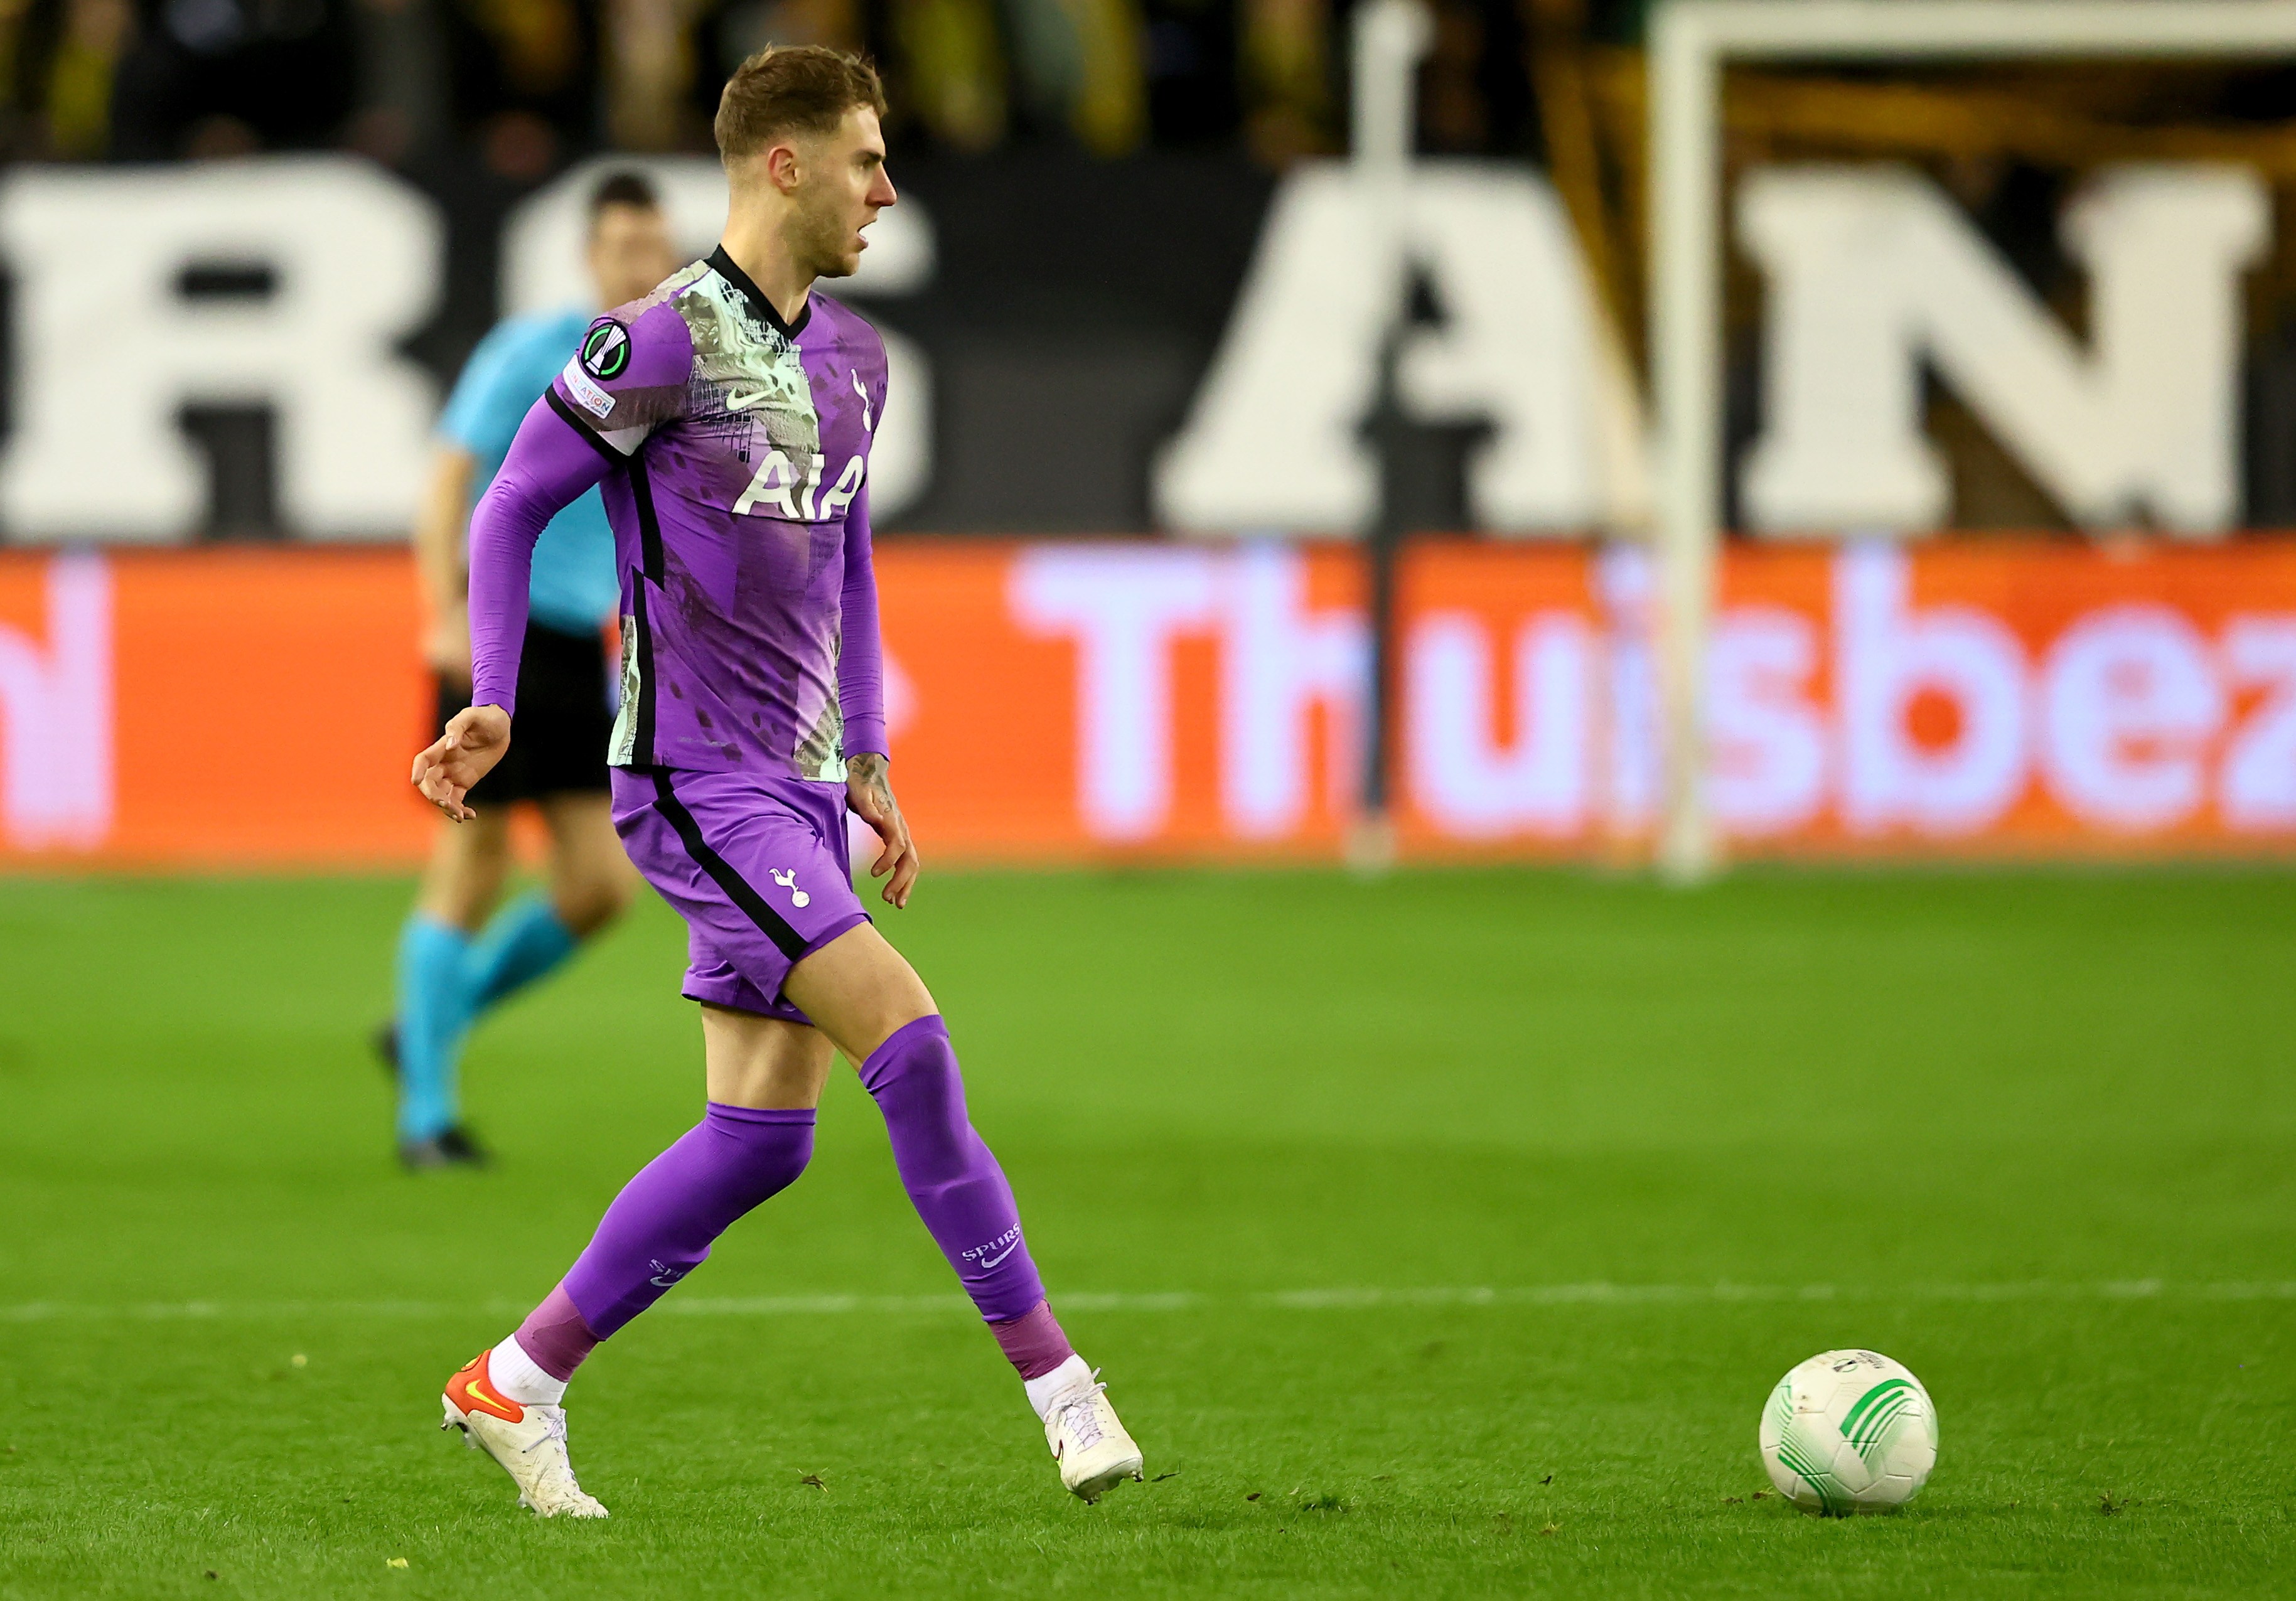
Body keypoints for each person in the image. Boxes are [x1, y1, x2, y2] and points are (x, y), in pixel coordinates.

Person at [410, 45, 1145, 1516]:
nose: (887, 188)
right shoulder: (659, 342)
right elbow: (507, 502)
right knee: (912, 1041)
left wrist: (866, 753)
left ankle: (518, 1378)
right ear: (785, 165)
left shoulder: (856, 360)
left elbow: (847, 561)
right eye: (868, 159)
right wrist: (491, 694)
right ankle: (1063, 1390)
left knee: (759, 1140)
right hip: (689, 782)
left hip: (797, 786)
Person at [384, 172, 680, 1169]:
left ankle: (435, 1017)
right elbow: (449, 480)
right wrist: (441, 616)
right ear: (590, 255)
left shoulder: (675, 361)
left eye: (653, 246)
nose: (639, 264)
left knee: (599, 886)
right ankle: (426, 1118)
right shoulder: (528, 351)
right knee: (473, 863)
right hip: (498, 634)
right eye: (622, 246)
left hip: (583, 648)